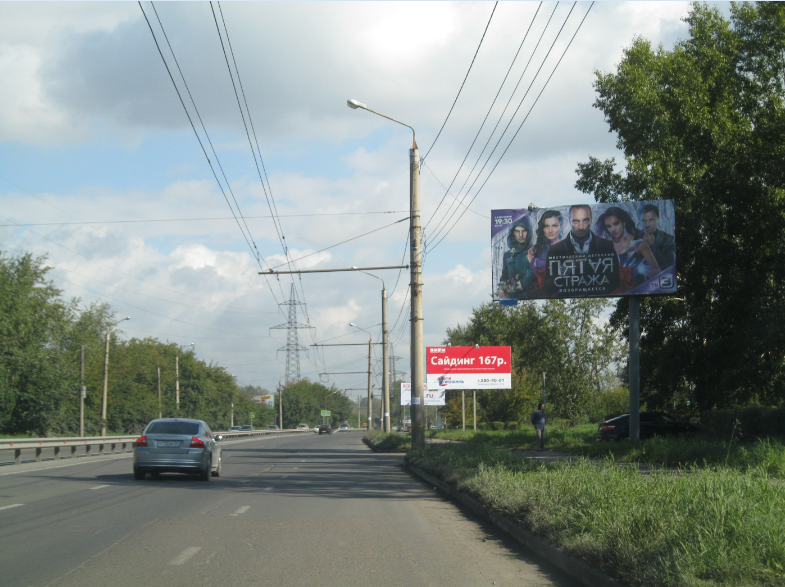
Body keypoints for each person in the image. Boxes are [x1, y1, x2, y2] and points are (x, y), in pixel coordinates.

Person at [545, 205, 620, 296]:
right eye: (576, 221)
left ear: (591, 220)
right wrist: (566, 268)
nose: (581, 227)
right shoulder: (555, 250)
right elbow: (549, 287)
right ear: (569, 221)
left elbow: (615, 282)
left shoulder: (606, 246)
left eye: (585, 220)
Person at [595, 206, 661, 291]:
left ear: (623, 222)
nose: (613, 229)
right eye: (609, 226)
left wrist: (642, 271)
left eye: (616, 224)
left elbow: (657, 270)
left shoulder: (638, 243)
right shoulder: (605, 245)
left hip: (636, 290)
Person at [497, 217, 536, 299]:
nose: (521, 235)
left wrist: (512, 288)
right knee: (505, 310)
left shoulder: (533, 251)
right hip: (512, 299)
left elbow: (532, 275)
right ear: (513, 233)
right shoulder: (507, 255)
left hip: (531, 298)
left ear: (529, 232)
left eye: (524, 231)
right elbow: (504, 275)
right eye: (517, 231)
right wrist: (501, 288)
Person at [527, 210, 563, 292]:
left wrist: (535, 261)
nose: (550, 230)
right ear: (542, 228)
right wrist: (532, 261)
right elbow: (535, 277)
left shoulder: (567, 247)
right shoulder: (535, 250)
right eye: (546, 226)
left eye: (554, 226)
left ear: (560, 227)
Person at [641, 204, 676, 271]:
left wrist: (653, 245)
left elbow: (669, 266)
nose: (647, 224)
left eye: (651, 220)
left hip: (661, 280)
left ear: (658, 220)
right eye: (644, 221)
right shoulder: (634, 238)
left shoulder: (669, 239)